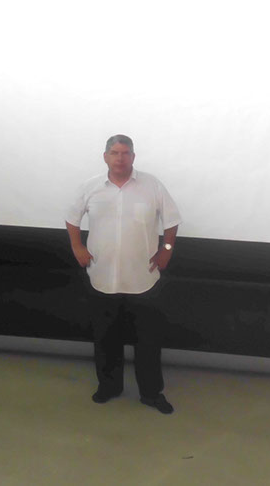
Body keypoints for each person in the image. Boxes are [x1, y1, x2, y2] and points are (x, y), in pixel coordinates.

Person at [65, 134, 181, 415]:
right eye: (115, 153)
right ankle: (109, 387)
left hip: (143, 279)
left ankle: (151, 394)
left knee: (148, 342)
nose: (120, 158)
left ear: (133, 157)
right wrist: (77, 246)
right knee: (106, 339)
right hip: (102, 278)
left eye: (125, 153)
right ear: (105, 156)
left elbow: (172, 220)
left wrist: (166, 249)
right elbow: (72, 218)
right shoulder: (90, 187)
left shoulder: (152, 185)